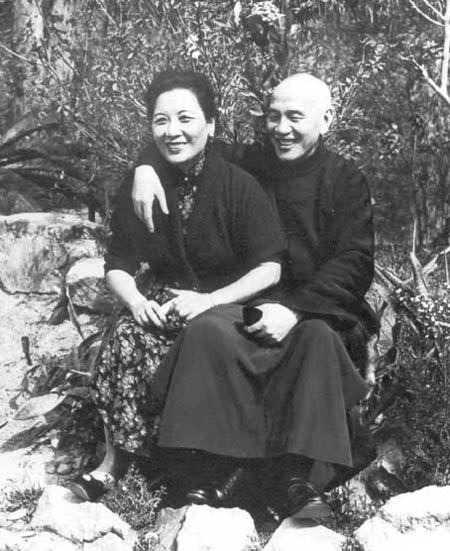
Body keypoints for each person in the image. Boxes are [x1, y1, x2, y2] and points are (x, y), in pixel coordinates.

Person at [132, 73, 379, 517]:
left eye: (294, 117)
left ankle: (294, 478)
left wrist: (294, 310)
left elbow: (354, 262)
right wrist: (145, 167)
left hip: (318, 308)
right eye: (273, 116)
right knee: (208, 332)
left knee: (316, 341)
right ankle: (211, 471)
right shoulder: (252, 161)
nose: (281, 129)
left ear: (326, 119)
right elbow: (187, 141)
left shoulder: (345, 180)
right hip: (250, 300)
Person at [70, 70, 286, 502]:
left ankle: (190, 470)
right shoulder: (142, 183)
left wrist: (210, 300)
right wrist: (135, 301)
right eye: (161, 121)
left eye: (185, 118)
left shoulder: (239, 183)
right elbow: (118, 263)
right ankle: (114, 465)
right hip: (164, 300)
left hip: (224, 303)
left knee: (203, 343)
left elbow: (271, 268)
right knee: (127, 335)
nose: (173, 131)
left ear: (211, 124)